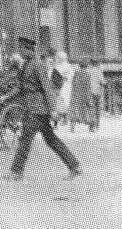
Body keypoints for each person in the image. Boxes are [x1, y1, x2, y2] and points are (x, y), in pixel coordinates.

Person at [9, 37, 82, 182]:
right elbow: (21, 87)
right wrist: (6, 97)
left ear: (28, 49)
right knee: (51, 140)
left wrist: (53, 109)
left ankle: (16, 172)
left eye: (22, 49)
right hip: (34, 108)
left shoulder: (38, 65)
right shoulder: (27, 65)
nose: (20, 52)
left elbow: (47, 88)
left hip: (37, 109)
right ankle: (74, 166)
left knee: (25, 140)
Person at [51, 49, 77, 131]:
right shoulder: (69, 67)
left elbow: (53, 79)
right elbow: (72, 77)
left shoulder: (56, 67)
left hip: (59, 88)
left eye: (58, 57)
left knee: (57, 105)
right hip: (67, 87)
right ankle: (65, 119)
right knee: (66, 103)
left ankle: (56, 123)